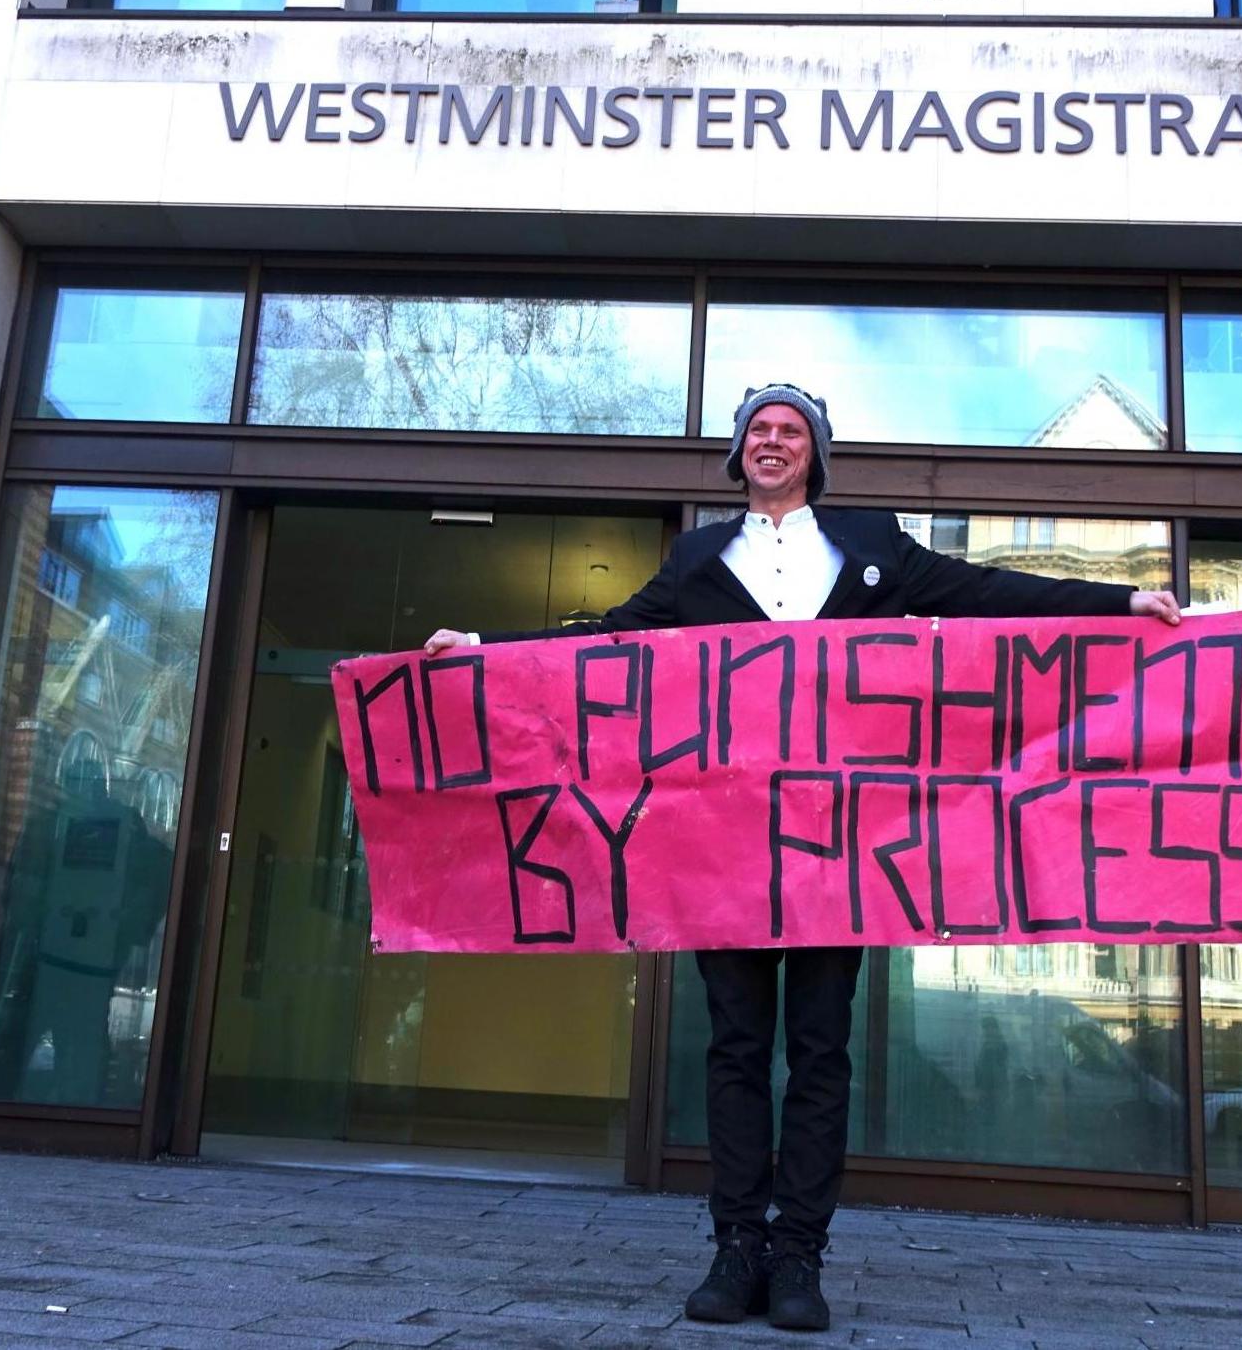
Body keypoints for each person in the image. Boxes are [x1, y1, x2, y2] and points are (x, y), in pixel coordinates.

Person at [425, 383, 1180, 1332]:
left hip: (841, 850)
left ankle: (798, 1259)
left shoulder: (871, 543)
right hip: (727, 852)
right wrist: (487, 649)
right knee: (738, 1048)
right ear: (738, 456)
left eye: (790, 432)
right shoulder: (700, 555)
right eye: (758, 433)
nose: (772, 443)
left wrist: (1119, 603)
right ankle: (735, 1246)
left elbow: (988, 595)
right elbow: (605, 639)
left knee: (820, 1051)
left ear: (814, 455)